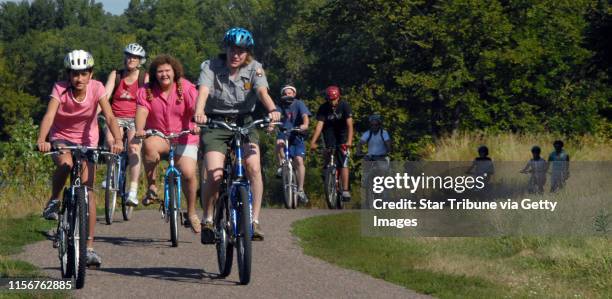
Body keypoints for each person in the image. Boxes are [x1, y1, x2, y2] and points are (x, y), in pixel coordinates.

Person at [37, 50, 124, 267]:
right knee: (66, 163)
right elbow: (49, 115)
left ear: (91, 74)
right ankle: (54, 200)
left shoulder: (97, 88)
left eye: (84, 73)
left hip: (88, 141)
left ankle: (89, 247)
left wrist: (118, 139)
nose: (79, 78)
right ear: (68, 75)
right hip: (62, 138)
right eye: (74, 74)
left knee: (88, 192)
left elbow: (110, 115)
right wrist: (42, 139)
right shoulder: (60, 89)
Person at [194, 27, 281, 242]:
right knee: (214, 175)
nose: (236, 55)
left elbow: (262, 92)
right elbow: (203, 91)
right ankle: (208, 217)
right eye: (232, 50)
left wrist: (272, 111)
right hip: (216, 122)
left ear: (247, 53)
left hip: (245, 122)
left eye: (241, 51)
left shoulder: (255, 68)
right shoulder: (211, 66)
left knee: (253, 166)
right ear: (226, 49)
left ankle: (254, 220)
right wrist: (199, 111)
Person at [134, 54, 201, 233]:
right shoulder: (146, 90)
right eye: (160, 71)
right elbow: (141, 111)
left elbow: (195, 107)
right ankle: (152, 187)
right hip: (160, 136)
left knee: (188, 173)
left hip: (185, 135)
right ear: (154, 74)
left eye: (167, 71)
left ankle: (192, 212)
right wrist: (140, 129)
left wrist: (197, 123)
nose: (164, 74)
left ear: (174, 72)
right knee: (148, 146)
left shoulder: (185, 87)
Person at [103, 43, 149, 206]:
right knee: (111, 142)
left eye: (135, 58)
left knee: (134, 148)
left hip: (135, 118)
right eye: (129, 56)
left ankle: (133, 191)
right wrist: (92, 114)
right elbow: (105, 95)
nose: (131, 59)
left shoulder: (144, 77)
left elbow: (148, 100)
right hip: (115, 117)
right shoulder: (116, 75)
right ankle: (111, 175)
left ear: (140, 61)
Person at [309, 85, 354, 201]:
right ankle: (327, 172)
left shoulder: (345, 106)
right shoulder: (323, 108)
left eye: (334, 99)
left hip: (342, 134)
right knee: (327, 151)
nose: (332, 102)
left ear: (338, 97)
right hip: (329, 132)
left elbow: (350, 125)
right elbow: (319, 127)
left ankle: (345, 190)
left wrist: (349, 141)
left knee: (343, 161)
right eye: (330, 100)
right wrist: (313, 142)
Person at [275, 84, 311, 203]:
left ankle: (300, 189)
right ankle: (281, 165)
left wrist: (305, 125)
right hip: (284, 133)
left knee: (299, 160)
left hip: (297, 133)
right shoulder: (280, 105)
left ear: (294, 94)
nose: (287, 95)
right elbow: (275, 117)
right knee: (279, 142)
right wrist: (271, 125)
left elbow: (305, 116)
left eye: (289, 93)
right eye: (285, 94)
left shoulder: (299, 103)